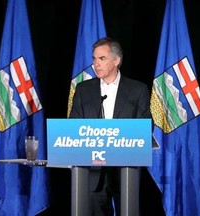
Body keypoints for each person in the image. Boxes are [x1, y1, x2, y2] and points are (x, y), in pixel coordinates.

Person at [69, 37, 151, 216]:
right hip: (92, 172)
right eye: (94, 59)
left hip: (126, 170)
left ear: (117, 60)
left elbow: (146, 126)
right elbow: (74, 126)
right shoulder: (83, 90)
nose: (96, 64)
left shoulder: (137, 90)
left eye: (102, 58)